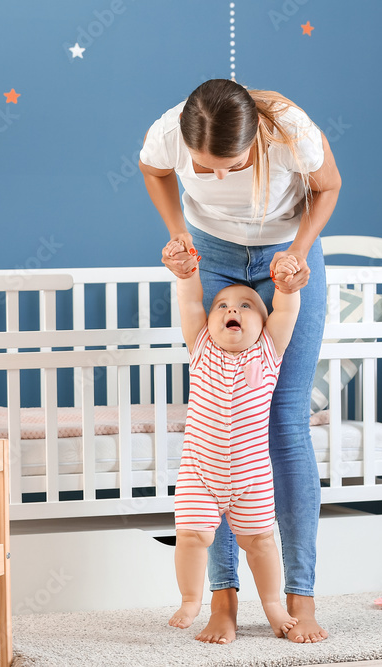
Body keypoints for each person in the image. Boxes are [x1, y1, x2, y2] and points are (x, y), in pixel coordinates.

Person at [139, 78, 341, 644]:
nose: (219, 177)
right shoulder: (169, 131)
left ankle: (299, 599)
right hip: (213, 253)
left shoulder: (290, 131)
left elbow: (328, 186)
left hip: (285, 251)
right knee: (216, 442)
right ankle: (222, 600)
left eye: (232, 165)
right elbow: (153, 171)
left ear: (256, 140)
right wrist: (178, 234)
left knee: (286, 421)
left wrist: (298, 251)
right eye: (204, 168)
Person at [167, 245, 301, 640]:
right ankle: (191, 599)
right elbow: (191, 301)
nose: (233, 310)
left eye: (246, 306)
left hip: (252, 476)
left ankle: (273, 604)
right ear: (209, 322)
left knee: (260, 542)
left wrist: (286, 287)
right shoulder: (201, 347)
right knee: (191, 537)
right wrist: (187, 275)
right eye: (222, 306)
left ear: (263, 322)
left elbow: (286, 312)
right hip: (199, 473)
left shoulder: (268, 352)